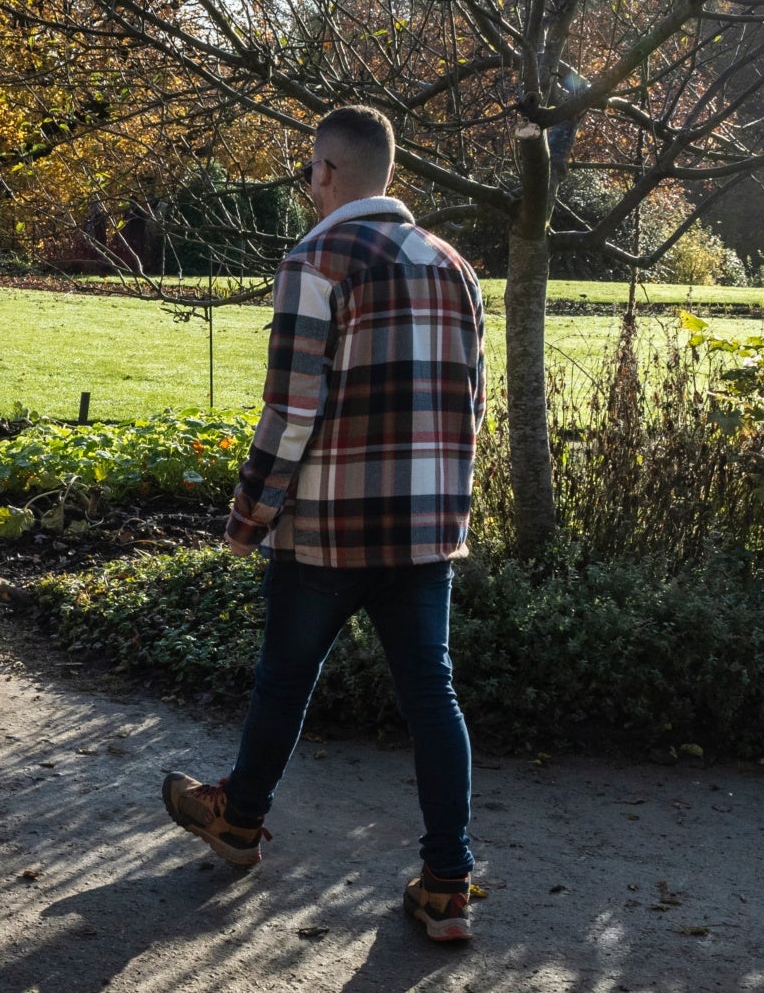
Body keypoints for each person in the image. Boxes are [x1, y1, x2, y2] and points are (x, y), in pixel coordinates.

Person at [160, 106, 487, 943]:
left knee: (284, 675)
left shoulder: (317, 260)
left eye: (309, 172)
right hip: (423, 530)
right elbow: (469, 410)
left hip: (327, 528)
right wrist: (450, 509)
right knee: (432, 694)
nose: (307, 187)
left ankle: (238, 821)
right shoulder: (457, 269)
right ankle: (448, 882)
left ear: (329, 174)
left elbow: (292, 409)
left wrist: (248, 514)